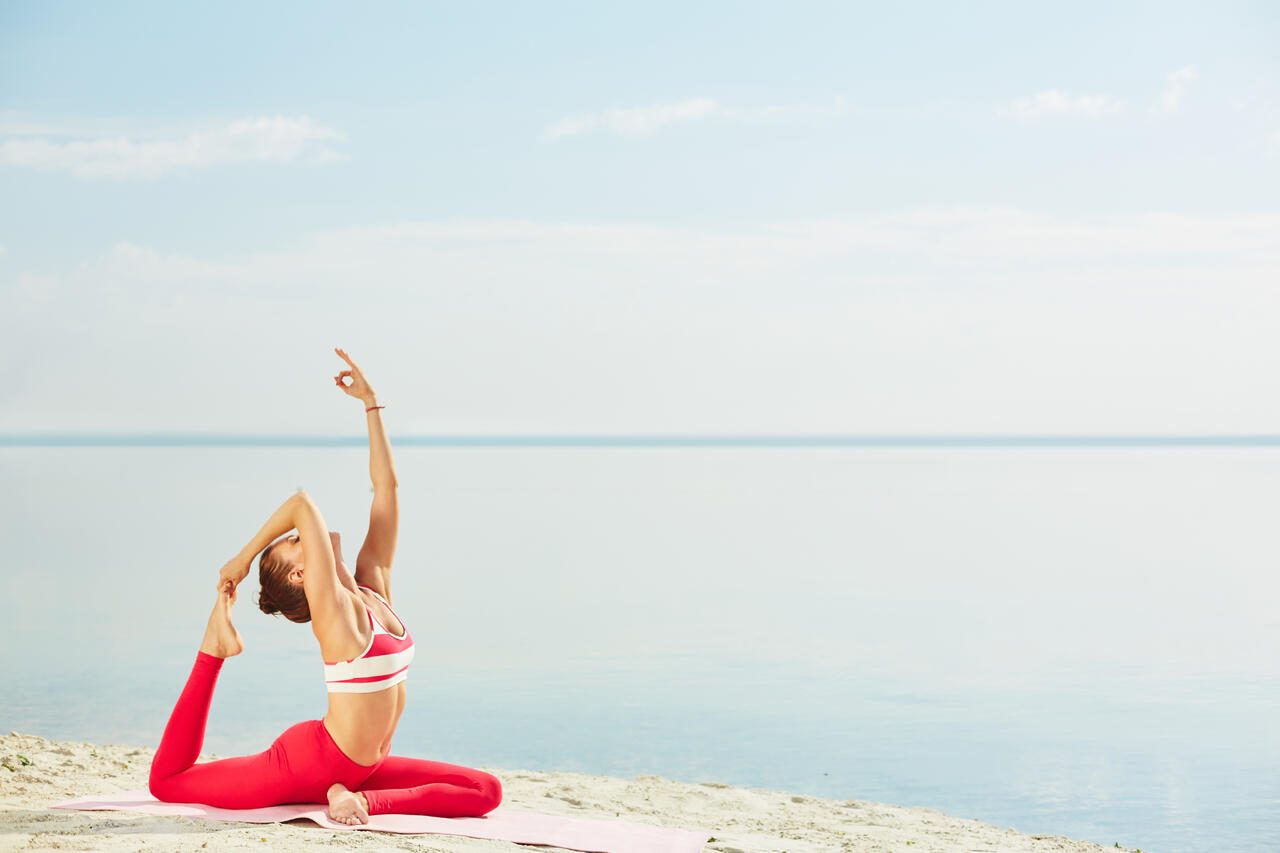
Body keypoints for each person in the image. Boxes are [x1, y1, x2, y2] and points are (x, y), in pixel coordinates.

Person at [148, 348, 502, 825]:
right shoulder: (336, 617)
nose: (301, 535)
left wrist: (371, 404)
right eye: (295, 543)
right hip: (307, 764)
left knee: (486, 789)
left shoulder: (373, 588)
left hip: (360, 767)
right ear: (303, 577)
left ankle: (354, 798)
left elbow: (387, 491)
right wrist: (244, 557)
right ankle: (213, 648)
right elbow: (301, 503)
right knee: (167, 783)